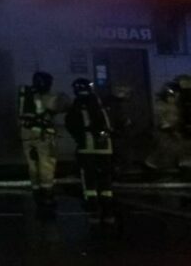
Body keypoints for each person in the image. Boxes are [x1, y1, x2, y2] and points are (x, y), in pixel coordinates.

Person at [65, 78, 115, 223]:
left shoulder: (77, 104)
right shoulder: (100, 103)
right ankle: (108, 211)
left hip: (86, 148)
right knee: (105, 178)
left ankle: (93, 210)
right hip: (105, 148)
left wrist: (79, 138)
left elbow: (70, 123)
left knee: (89, 179)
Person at [17, 71, 68, 210]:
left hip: (26, 136)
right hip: (44, 137)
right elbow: (63, 105)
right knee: (47, 165)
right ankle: (47, 194)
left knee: (32, 166)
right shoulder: (47, 98)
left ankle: (36, 192)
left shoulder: (25, 95)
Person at [145, 82, 183, 172]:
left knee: (174, 146)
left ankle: (170, 164)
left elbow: (174, 117)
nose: (176, 98)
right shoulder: (161, 105)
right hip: (164, 130)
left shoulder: (173, 105)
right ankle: (157, 164)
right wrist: (166, 125)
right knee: (166, 146)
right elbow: (160, 118)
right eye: (174, 96)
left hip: (171, 129)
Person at [102, 84, 133, 175]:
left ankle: (116, 170)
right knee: (119, 152)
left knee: (117, 153)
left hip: (115, 131)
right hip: (118, 132)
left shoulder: (110, 103)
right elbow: (120, 118)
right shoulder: (117, 104)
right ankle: (118, 171)